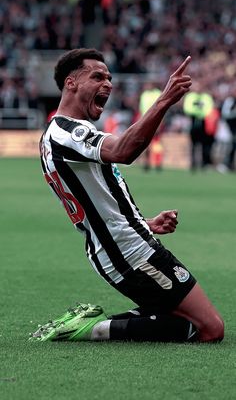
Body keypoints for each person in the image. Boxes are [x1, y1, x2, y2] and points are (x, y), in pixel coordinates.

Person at [31, 48, 224, 344]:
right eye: (97, 76)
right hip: (130, 251)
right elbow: (124, 151)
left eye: (109, 78)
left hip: (120, 244)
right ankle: (92, 330)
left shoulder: (56, 135)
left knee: (181, 319)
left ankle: (85, 324)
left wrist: (143, 222)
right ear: (71, 83)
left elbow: (95, 203)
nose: (107, 83)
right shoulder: (67, 132)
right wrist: (164, 100)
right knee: (210, 329)